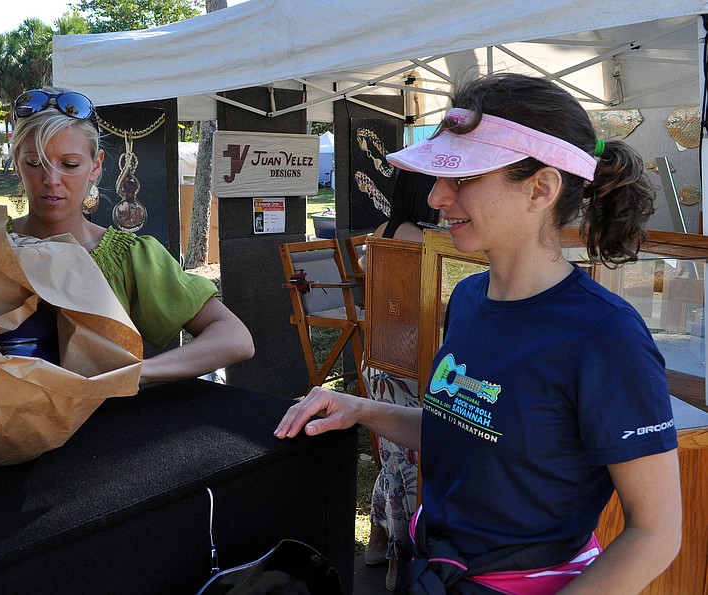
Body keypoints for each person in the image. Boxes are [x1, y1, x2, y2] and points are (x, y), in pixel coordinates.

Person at [276, 73, 680, 594]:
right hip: (434, 572)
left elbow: (655, 533)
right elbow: (463, 428)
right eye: (439, 176)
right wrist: (362, 410)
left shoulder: (606, 335)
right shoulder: (467, 300)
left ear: (540, 188)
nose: (436, 197)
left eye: (463, 178)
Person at [0, 88, 255, 385]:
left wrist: (137, 373)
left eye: (69, 164)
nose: (51, 180)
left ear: (96, 167)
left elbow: (235, 338)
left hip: (98, 441)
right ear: (17, 164)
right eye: (35, 163)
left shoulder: (131, 258)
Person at [361, 170, 440, 591]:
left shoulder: (382, 231)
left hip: (379, 358)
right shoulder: (424, 241)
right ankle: (397, 555)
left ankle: (377, 542)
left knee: (392, 456)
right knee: (407, 461)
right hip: (409, 361)